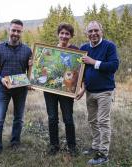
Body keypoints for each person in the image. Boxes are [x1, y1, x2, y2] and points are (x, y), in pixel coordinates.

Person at [76, 20, 119, 165]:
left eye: (96, 30)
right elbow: (80, 71)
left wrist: (93, 62)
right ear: (86, 33)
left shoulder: (109, 46)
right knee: (92, 120)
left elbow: (113, 66)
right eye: (90, 31)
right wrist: (82, 88)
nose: (93, 33)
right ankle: (95, 146)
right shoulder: (83, 48)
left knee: (103, 121)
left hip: (105, 91)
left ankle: (103, 153)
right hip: (90, 91)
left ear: (101, 31)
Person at [0, 19, 32, 159]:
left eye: (18, 31)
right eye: (14, 30)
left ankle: (15, 143)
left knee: (18, 119)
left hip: (21, 90)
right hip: (3, 89)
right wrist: (1, 79)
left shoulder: (27, 50)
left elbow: (32, 72)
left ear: (21, 32)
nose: (16, 33)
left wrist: (31, 69)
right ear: (9, 30)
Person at [43, 23, 79, 156]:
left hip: (66, 90)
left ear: (71, 36)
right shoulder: (50, 50)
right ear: (58, 34)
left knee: (68, 118)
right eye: (62, 33)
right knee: (52, 117)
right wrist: (32, 63)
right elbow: (42, 66)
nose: (64, 36)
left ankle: (72, 146)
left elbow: (78, 71)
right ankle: (54, 145)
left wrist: (80, 86)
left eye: (67, 34)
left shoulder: (76, 51)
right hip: (50, 90)